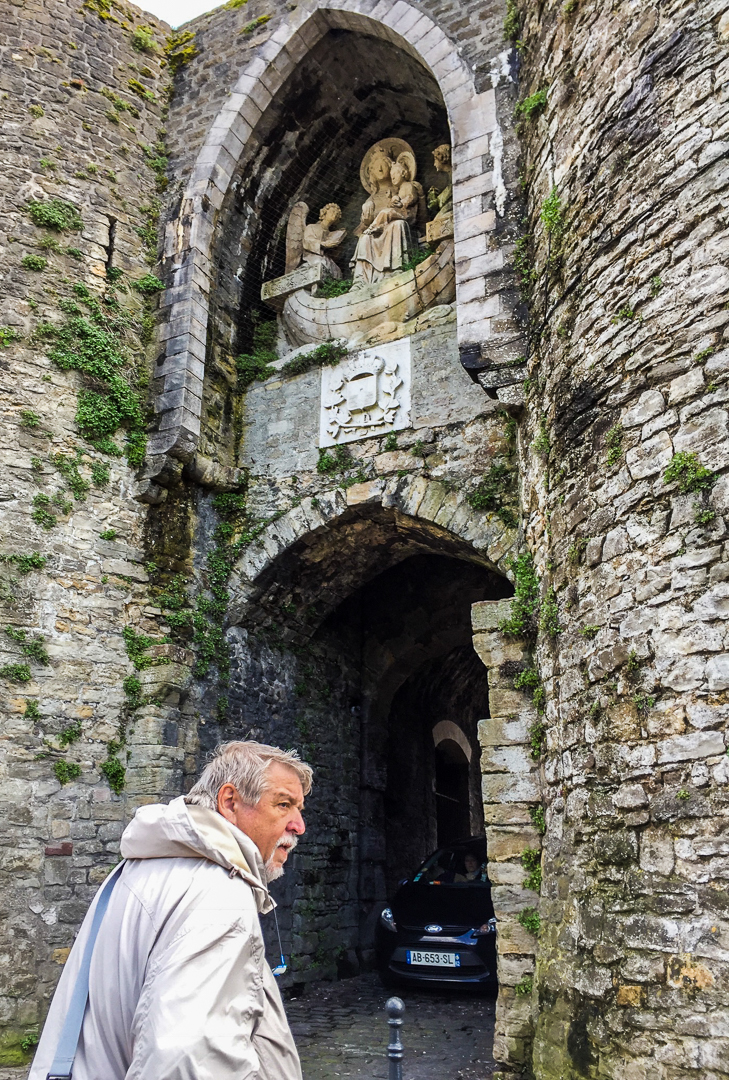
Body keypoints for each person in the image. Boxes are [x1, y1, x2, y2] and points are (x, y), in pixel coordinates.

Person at [29, 741, 312, 1080]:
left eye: (299, 809)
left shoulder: (139, 870)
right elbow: (186, 1063)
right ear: (230, 802)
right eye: (284, 804)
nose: (299, 825)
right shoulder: (218, 895)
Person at [302, 203, 347, 279]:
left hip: (325, 258)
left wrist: (336, 247)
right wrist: (324, 244)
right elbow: (307, 241)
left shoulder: (331, 233)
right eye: (332, 212)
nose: (335, 215)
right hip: (312, 256)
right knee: (320, 262)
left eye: (337, 214)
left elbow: (334, 256)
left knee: (337, 272)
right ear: (324, 213)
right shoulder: (311, 227)